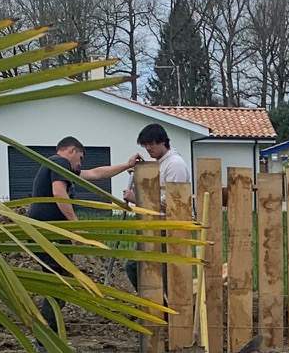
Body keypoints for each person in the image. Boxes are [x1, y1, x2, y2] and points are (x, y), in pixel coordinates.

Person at [28, 136, 139, 329]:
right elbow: (59, 193)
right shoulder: (59, 162)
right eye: (80, 158)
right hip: (47, 234)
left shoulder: (62, 168)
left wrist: (126, 165)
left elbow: (96, 174)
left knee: (62, 283)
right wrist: (76, 227)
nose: (80, 164)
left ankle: (49, 333)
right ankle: (45, 337)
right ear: (71, 151)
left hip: (52, 234)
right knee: (57, 284)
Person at [123, 123, 192, 293]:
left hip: (167, 227)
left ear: (163, 142)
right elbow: (155, 191)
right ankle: (153, 304)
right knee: (139, 267)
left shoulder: (174, 165)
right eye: (145, 145)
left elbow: (174, 202)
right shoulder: (161, 163)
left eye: (151, 144)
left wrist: (137, 198)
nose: (148, 148)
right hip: (155, 225)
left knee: (158, 269)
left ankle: (163, 307)